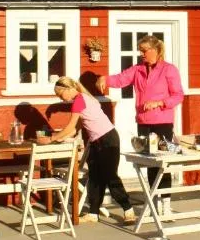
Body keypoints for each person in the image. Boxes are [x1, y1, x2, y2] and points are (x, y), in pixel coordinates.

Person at [96, 35, 184, 217]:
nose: (141, 54)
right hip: (143, 123)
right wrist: (104, 78)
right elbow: (120, 79)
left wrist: (159, 103)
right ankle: (153, 203)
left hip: (162, 122)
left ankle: (165, 204)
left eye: (144, 50)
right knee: (150, 164)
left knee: (163, 163)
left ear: (156, 50)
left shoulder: (169, 70)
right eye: (140, 51)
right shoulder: (138, 70)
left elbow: (178, 96)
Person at [39, 76, 135, 225]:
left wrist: (51, 139)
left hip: (107, 139)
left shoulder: (79, 100)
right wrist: (62, 137)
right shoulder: (85, 97)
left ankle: (128, 210)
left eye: (60, 94)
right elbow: (76, 128)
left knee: (110, 176)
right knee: (95, 176)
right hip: (97, 141)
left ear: (68, 89)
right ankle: (93, 213)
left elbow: (71, 127)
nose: (60, 98)